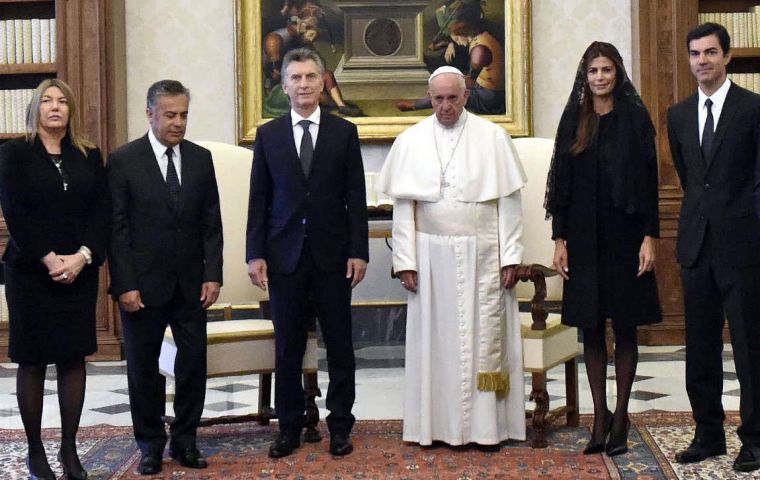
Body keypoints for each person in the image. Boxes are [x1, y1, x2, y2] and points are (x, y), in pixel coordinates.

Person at [376, 65, 526, 448]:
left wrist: (510, 255)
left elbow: (509, 204)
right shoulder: (411, 140)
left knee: (482, 344)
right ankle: (435, 427)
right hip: (430, 259)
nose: (445, 106)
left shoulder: (492, 137)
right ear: (430, 97)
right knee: (436, 345)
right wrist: (405, 261)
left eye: (452, 98)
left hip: (484, 257)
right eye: (438, 98)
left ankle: (488, 429)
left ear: (465, 97)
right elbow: (404, 209)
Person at [246, 47, 369, 458]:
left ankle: (339, 427)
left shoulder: (343, 132)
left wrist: (359, 251)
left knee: (339, 345)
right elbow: (259, 199)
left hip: (334, 258)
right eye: (295, 78)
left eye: (310, 77)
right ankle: (289, 427)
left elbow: (356, 197)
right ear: (284, 85)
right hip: (284, 258)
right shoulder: (269, 135)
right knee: (288, 348)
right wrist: (254, 254)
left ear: (323, 81)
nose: (303, 85)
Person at [544, 42, 661, 457]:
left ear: (617, 73)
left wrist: (650, 236)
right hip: (583, 238)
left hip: (627, 238)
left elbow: (649, 181)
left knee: (625, 326)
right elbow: (560, 183)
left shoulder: (635, 116)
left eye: (606, 70)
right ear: (585, 75)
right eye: (593, 70)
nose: (599, 77)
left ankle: (623, 417)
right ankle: (599, 417)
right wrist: (560, 240)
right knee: (590, 328)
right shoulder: (575, 118)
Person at [107, 80, 223, 475]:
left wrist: (213, 274)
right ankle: (151, 445)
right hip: (141, 284)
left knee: (193, 364)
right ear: (150, 113)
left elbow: (212, 223)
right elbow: (116, 228)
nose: (178, 123)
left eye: (184, 115)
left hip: (192, 283)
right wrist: (124, 283)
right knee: (144, 370)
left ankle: (186, 441)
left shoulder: (201, 158)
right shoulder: (124, 160)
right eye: (170, 115)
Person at [0, 78, 108, 480]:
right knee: (31, 361)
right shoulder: (13, 154)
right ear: (35, 109)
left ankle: (68, 449)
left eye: (63, 100)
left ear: (71, 110)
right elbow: (16, 213)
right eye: (46, 100)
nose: (55, 107)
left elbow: (101, 212)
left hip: (79, 270)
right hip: (31, 271)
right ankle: (34, 451)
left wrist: (81, 258)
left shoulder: (88, 155)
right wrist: (49, 260)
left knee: (73, 358)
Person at [667, 23, 760, 473]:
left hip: (744, 248)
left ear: (727, 57)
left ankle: (755, 439)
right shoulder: (679, 114)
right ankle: (708, 435)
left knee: (749, 348)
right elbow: (690, 179)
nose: (701, 61)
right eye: (695, 54)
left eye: (710, 53)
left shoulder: (753, 109)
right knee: (699, 347)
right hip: (696, 245)